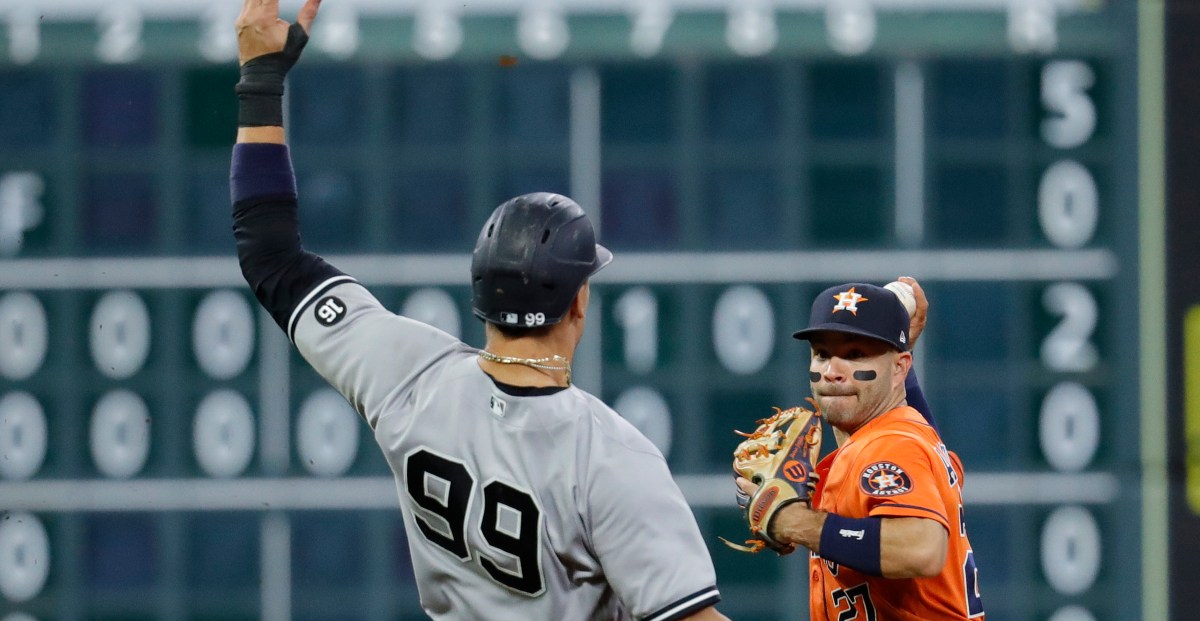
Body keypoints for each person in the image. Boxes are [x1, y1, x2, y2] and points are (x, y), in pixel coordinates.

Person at [229, 1, 727, 619]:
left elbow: (270, 256)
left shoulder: (407, 376)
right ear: (579, 301)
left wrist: (260, 80)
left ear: (480, 293)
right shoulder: (608, 457)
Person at [736, 281, 985, 620]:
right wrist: (898, 351)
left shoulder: (888, 445)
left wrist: (794, 522)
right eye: (822, 354)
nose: (832, 372)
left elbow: (921, 549)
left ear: (900, 367)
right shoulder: (904, 438)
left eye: (856, 355)